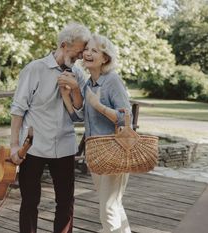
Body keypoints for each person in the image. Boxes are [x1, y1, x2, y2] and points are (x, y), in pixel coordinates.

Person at [9, 22, 91, 233]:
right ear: (64, 45)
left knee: (65, 202)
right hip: (34, 146)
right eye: (79, 51)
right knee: (29, 202)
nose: (82, 56)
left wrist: (75, 90)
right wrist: (13, 146)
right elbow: (18, 109)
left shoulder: (78, 74)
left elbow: (80, 114)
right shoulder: (34, 69)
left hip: (64, 145)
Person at [60, 34, 132, 233]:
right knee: (113, 205)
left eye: (94, 50)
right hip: (96, 154)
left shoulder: (112, 81)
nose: (88, 53)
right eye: (87, 50)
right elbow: (79, 118)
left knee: (108, 210)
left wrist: (98, 106)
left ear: (105, 58)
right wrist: (67, 96)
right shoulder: (89, 83)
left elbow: (126, 117)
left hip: (114, 152)